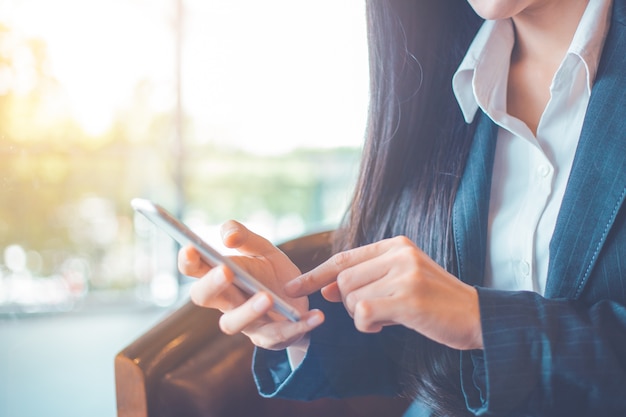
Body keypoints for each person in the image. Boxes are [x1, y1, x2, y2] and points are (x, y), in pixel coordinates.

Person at [179, 0, 626, 415]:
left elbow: (466, 322)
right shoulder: (434, 78)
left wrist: (480, 320)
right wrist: (301, 320)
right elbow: (422, 353)